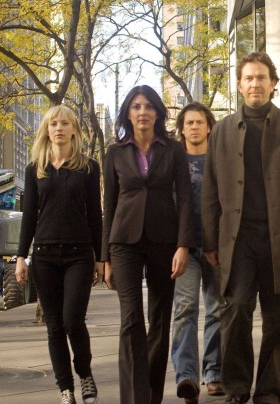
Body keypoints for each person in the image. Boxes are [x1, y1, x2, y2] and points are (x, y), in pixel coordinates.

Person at [201, 52, 280, 404]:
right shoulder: (222, 130)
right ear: (239, 85)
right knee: (236, 311)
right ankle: (237, 387)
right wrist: (210, 241)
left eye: (262, 77)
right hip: (238, 240)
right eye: (249, 78)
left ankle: (268, 391)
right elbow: (210, 190)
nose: (255, 83)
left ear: (273, 84)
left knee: (278, 321)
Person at [101, 85, 196, 404]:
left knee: (159, 319)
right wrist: (105, 257)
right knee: (131, 319)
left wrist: (183, 245)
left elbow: (185, 198)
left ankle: (153, 396)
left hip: (164, 240)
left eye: (148, 106)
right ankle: (134, 398)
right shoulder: (114, 152)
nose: (143, 112)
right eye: (136, 106)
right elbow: (109, 205)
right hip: (124, 242)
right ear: (128, 113)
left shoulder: (174, 150)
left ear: (157, 112)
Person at [15, 105, 101, 404]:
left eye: (65, 123)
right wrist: (21, 257)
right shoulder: (35, 169)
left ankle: (85, 373)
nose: (59, 128)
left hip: (79, 254)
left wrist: (100, 258)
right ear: (47, 130)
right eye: (53, 124)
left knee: (72, 320)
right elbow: (28, 216)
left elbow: (95, 216)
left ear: (74, 129)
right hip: (44, 256)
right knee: (54, 327)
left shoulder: (88, 168)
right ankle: (66, 390)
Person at [171, 102, 224, 404]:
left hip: (217, 246)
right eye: (189, 122)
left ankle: (214, 372)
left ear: (209, 127)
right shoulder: (173, 161)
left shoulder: (220, 159)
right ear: (182, 128)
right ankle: (187, 377)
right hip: (185, 248)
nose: (194, 127)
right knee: (185, 309)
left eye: (199, 122)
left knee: (217, 310)